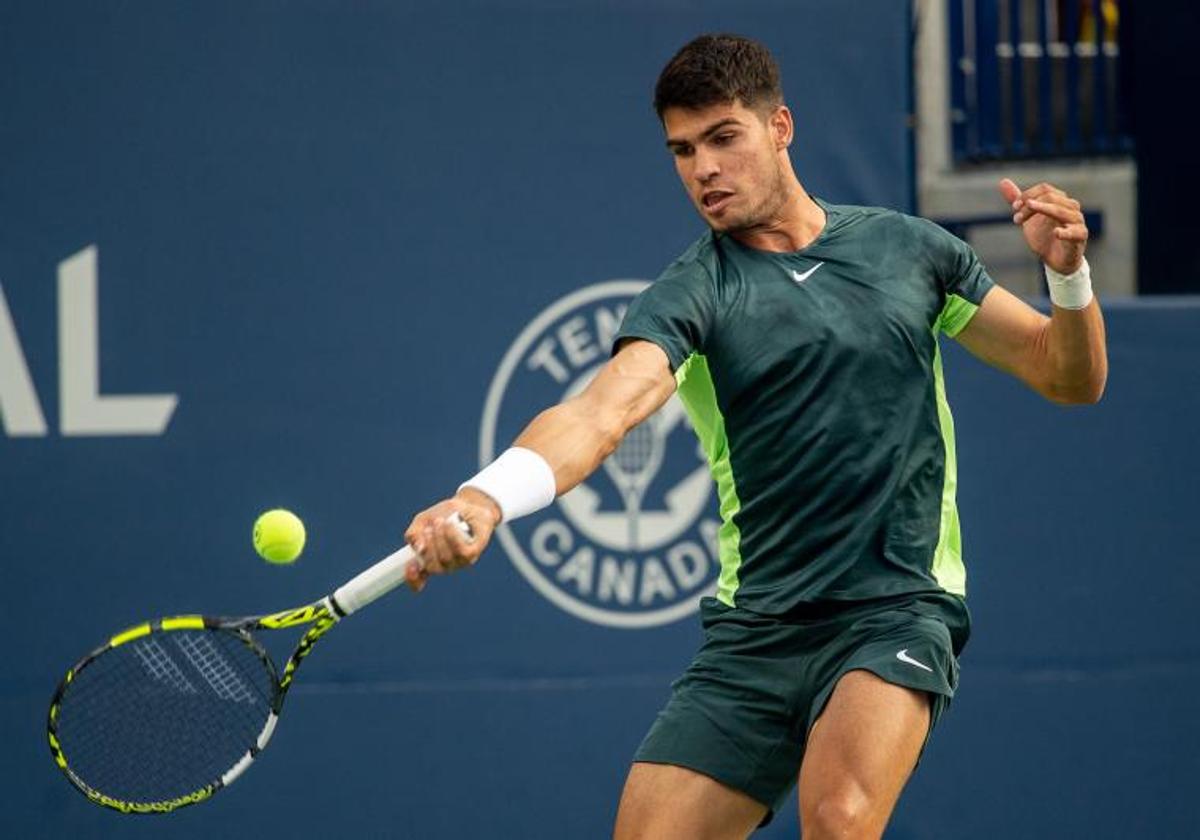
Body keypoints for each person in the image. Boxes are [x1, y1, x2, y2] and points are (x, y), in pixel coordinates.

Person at [401, 33, 1107, 840]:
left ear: (780, 128)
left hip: (896, 605)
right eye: (682, 150)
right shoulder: (693, 292)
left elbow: (1068, 376)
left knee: (839, 819)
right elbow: (601, 414)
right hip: (756, 632)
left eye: (722, 138)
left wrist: (1067, 278)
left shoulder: (911, 251)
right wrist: (487, 496)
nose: (703, 168)